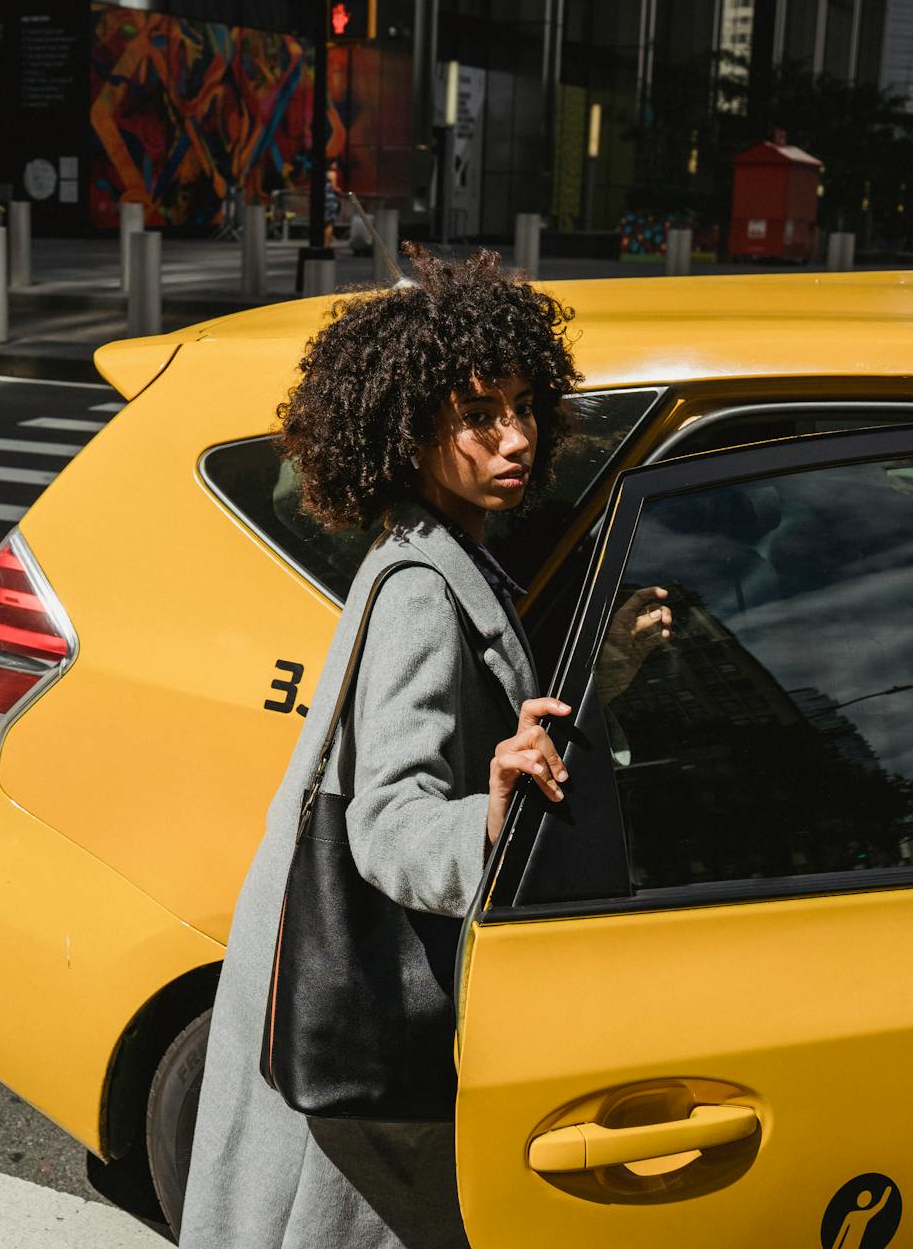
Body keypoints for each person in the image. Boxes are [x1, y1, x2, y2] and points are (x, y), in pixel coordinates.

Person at [179, 247, 583, 1248]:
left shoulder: (437, 549)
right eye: (480, 416)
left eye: (525, 406)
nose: (516, 436)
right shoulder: (419, 591)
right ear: (410, 434)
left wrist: (603, 672)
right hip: (363, 1016)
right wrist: (490, 812)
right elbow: (389, 823)